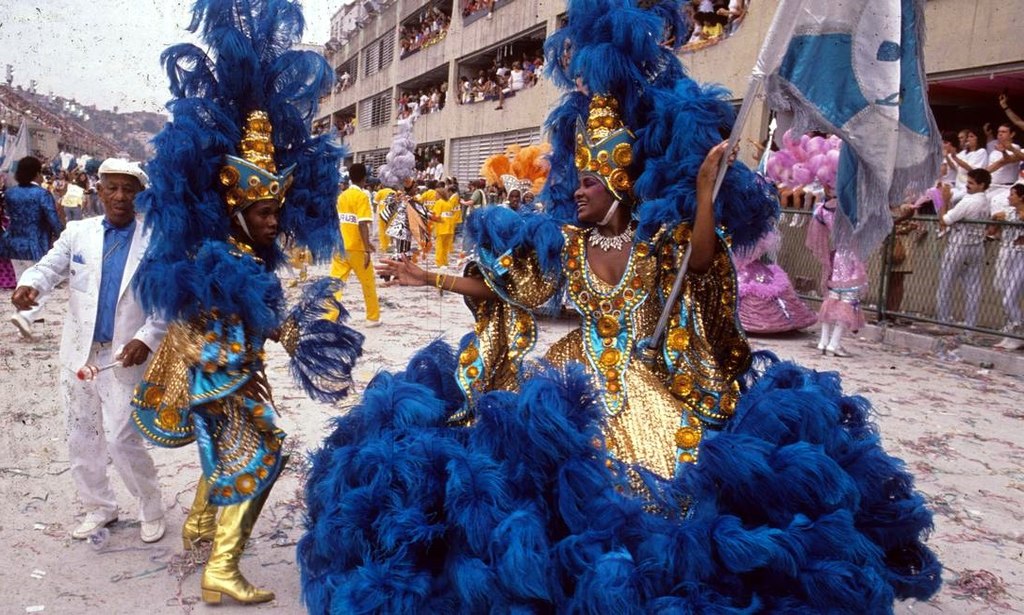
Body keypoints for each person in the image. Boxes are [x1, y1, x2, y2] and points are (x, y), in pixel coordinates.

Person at [298, 1, 940, 605]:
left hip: (644, 380)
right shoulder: (570, 246)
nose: (572, 191)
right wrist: (427, 277)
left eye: (585, 180)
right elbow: (509, 290)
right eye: (573, 178)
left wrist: (705, 191)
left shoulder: (656, 243)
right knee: (518, 470)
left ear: (617, 181)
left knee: (652, 493)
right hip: (574, 376)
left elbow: (703, 260)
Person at [128, 1, 362, 605]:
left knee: (226, 458)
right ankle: (222, 567)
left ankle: (202, 526)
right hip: (222, 380)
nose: (274, 220)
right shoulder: (219, 261)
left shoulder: (244, 253)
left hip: (233, 375)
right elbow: (230, 326)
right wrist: (289, 332)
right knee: (262, 455)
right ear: (237, 210)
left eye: (277, 209)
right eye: (264, 211)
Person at [11, 158, 167, 543]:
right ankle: (99, 507)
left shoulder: (155, 241)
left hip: (122, 356)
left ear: (139, 195)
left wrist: (146, 338)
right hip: (79, 352)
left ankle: (150, 505)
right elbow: (48, 268)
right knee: (81, 434)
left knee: (122, 437)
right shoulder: (78, 233)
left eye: (127, 189)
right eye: (111, 187)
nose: (119, 196)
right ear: (99, 190)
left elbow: (167, 304)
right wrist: (31, 285)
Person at [2, 155, 63, 337]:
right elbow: (52, 218)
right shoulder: (42, 194)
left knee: (22, 282)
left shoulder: (11, 193)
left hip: (13, 242)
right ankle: (26, 316)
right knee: (41, 284)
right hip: (35, 243)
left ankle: (23, 321)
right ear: (37, 173)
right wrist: (61, 235)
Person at [807, 196, 867, 357]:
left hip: (837, 254)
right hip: (852, 255)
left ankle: (823, 341)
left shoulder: (823, 209)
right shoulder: (852, 206)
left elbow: (818, 237)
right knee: (848, 299)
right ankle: (834, 344)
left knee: (832, 297)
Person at [936, 168, 992, 328]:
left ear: (982, 185)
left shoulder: (969, 201)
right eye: (967, 182)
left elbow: (944, 221)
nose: (967, 186)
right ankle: (970, 325)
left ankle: (944, 322)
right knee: (973, 287)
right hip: (977, 246)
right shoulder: (985, 201)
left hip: (958, 245)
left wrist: (944, 201)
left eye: (971, 183)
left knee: (945, 284)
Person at [330, 163, 381, 327]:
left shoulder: (342, 196)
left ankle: (330, 317)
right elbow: (362, 224)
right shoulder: (362, 197)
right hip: (357, 247)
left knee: (336, 283)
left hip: (340, 245)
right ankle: (372, 318)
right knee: (368, 283)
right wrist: (366, 248)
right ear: (364, 178)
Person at [991, 183, 1024, 350]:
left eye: (1012, 195)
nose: (1009, 197)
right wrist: (997, 219)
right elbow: (996, 217)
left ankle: (1018, 331)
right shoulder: (1010, 211)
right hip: (1008, 253)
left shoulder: (1018, 212)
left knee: (1009, 297)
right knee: (1005, 294)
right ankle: (1010, 333)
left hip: (1021, 256)